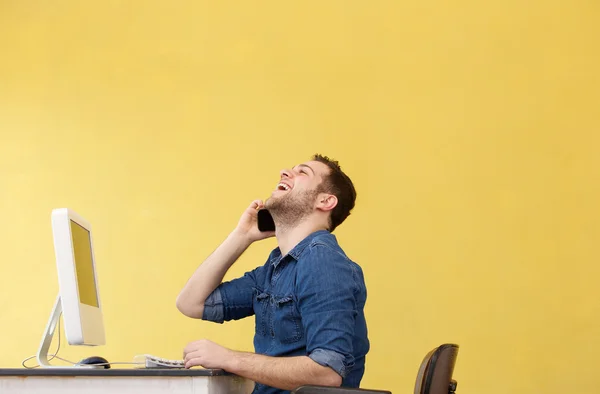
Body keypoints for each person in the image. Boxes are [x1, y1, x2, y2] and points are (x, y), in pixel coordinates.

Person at [176, 154, 369, 394]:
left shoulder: (322, 260)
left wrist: (230, 359)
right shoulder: (275, 268)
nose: (284, 172)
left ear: (325, 201)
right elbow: (191, 303)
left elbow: (326, 372)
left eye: (303, 172)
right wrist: (242, 235)